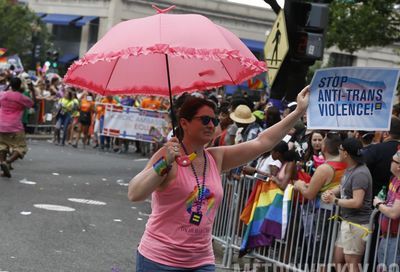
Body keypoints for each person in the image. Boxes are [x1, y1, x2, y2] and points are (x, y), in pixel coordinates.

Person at [128, 86, 310, 271]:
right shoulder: (166, 156)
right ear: (184, 123)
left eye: (214, 120)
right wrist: (164, 164)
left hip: (201, 262)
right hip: (159, 261)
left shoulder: (216, 158)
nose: (211, 125)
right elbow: (135, 193)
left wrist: (298, 111)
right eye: (205, 119)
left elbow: (262, 142)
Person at [322, 138, 373, 272]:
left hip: (357, 225)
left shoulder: (360, 173)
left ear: (346, 153)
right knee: (338, 260)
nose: (338, 151)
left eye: (340, 149)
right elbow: (343, 186)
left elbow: (357, 202)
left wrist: (335, 200)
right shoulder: (350, 169)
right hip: (348, 222)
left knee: (352, 264)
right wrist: (330, 192)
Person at [294, 132, 346, 200]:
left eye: (321, 141)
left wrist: (300, 186)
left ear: (324, 147)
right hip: (339, 207)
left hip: (322, 208)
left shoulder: (324, 169)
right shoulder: (346, 163)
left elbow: (309, 195)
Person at [0, 77, 34, 177]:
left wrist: (7, 88)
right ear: (20, 86)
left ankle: (3, 164)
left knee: (2, 146)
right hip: (15, 126)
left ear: (10, 84)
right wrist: (32, 90)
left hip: (1, 124)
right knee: (21, 147)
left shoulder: (3, 94)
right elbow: (31, 103)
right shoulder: (21, 97)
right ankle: (8, 161)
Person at [373, 150, 400, 271]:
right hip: (386, 236)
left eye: (392, 161)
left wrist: (378, 204)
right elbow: (389, 204)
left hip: (396, 239)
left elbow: (394, 213)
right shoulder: (394, 179)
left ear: (398, 166)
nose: (390, 163)